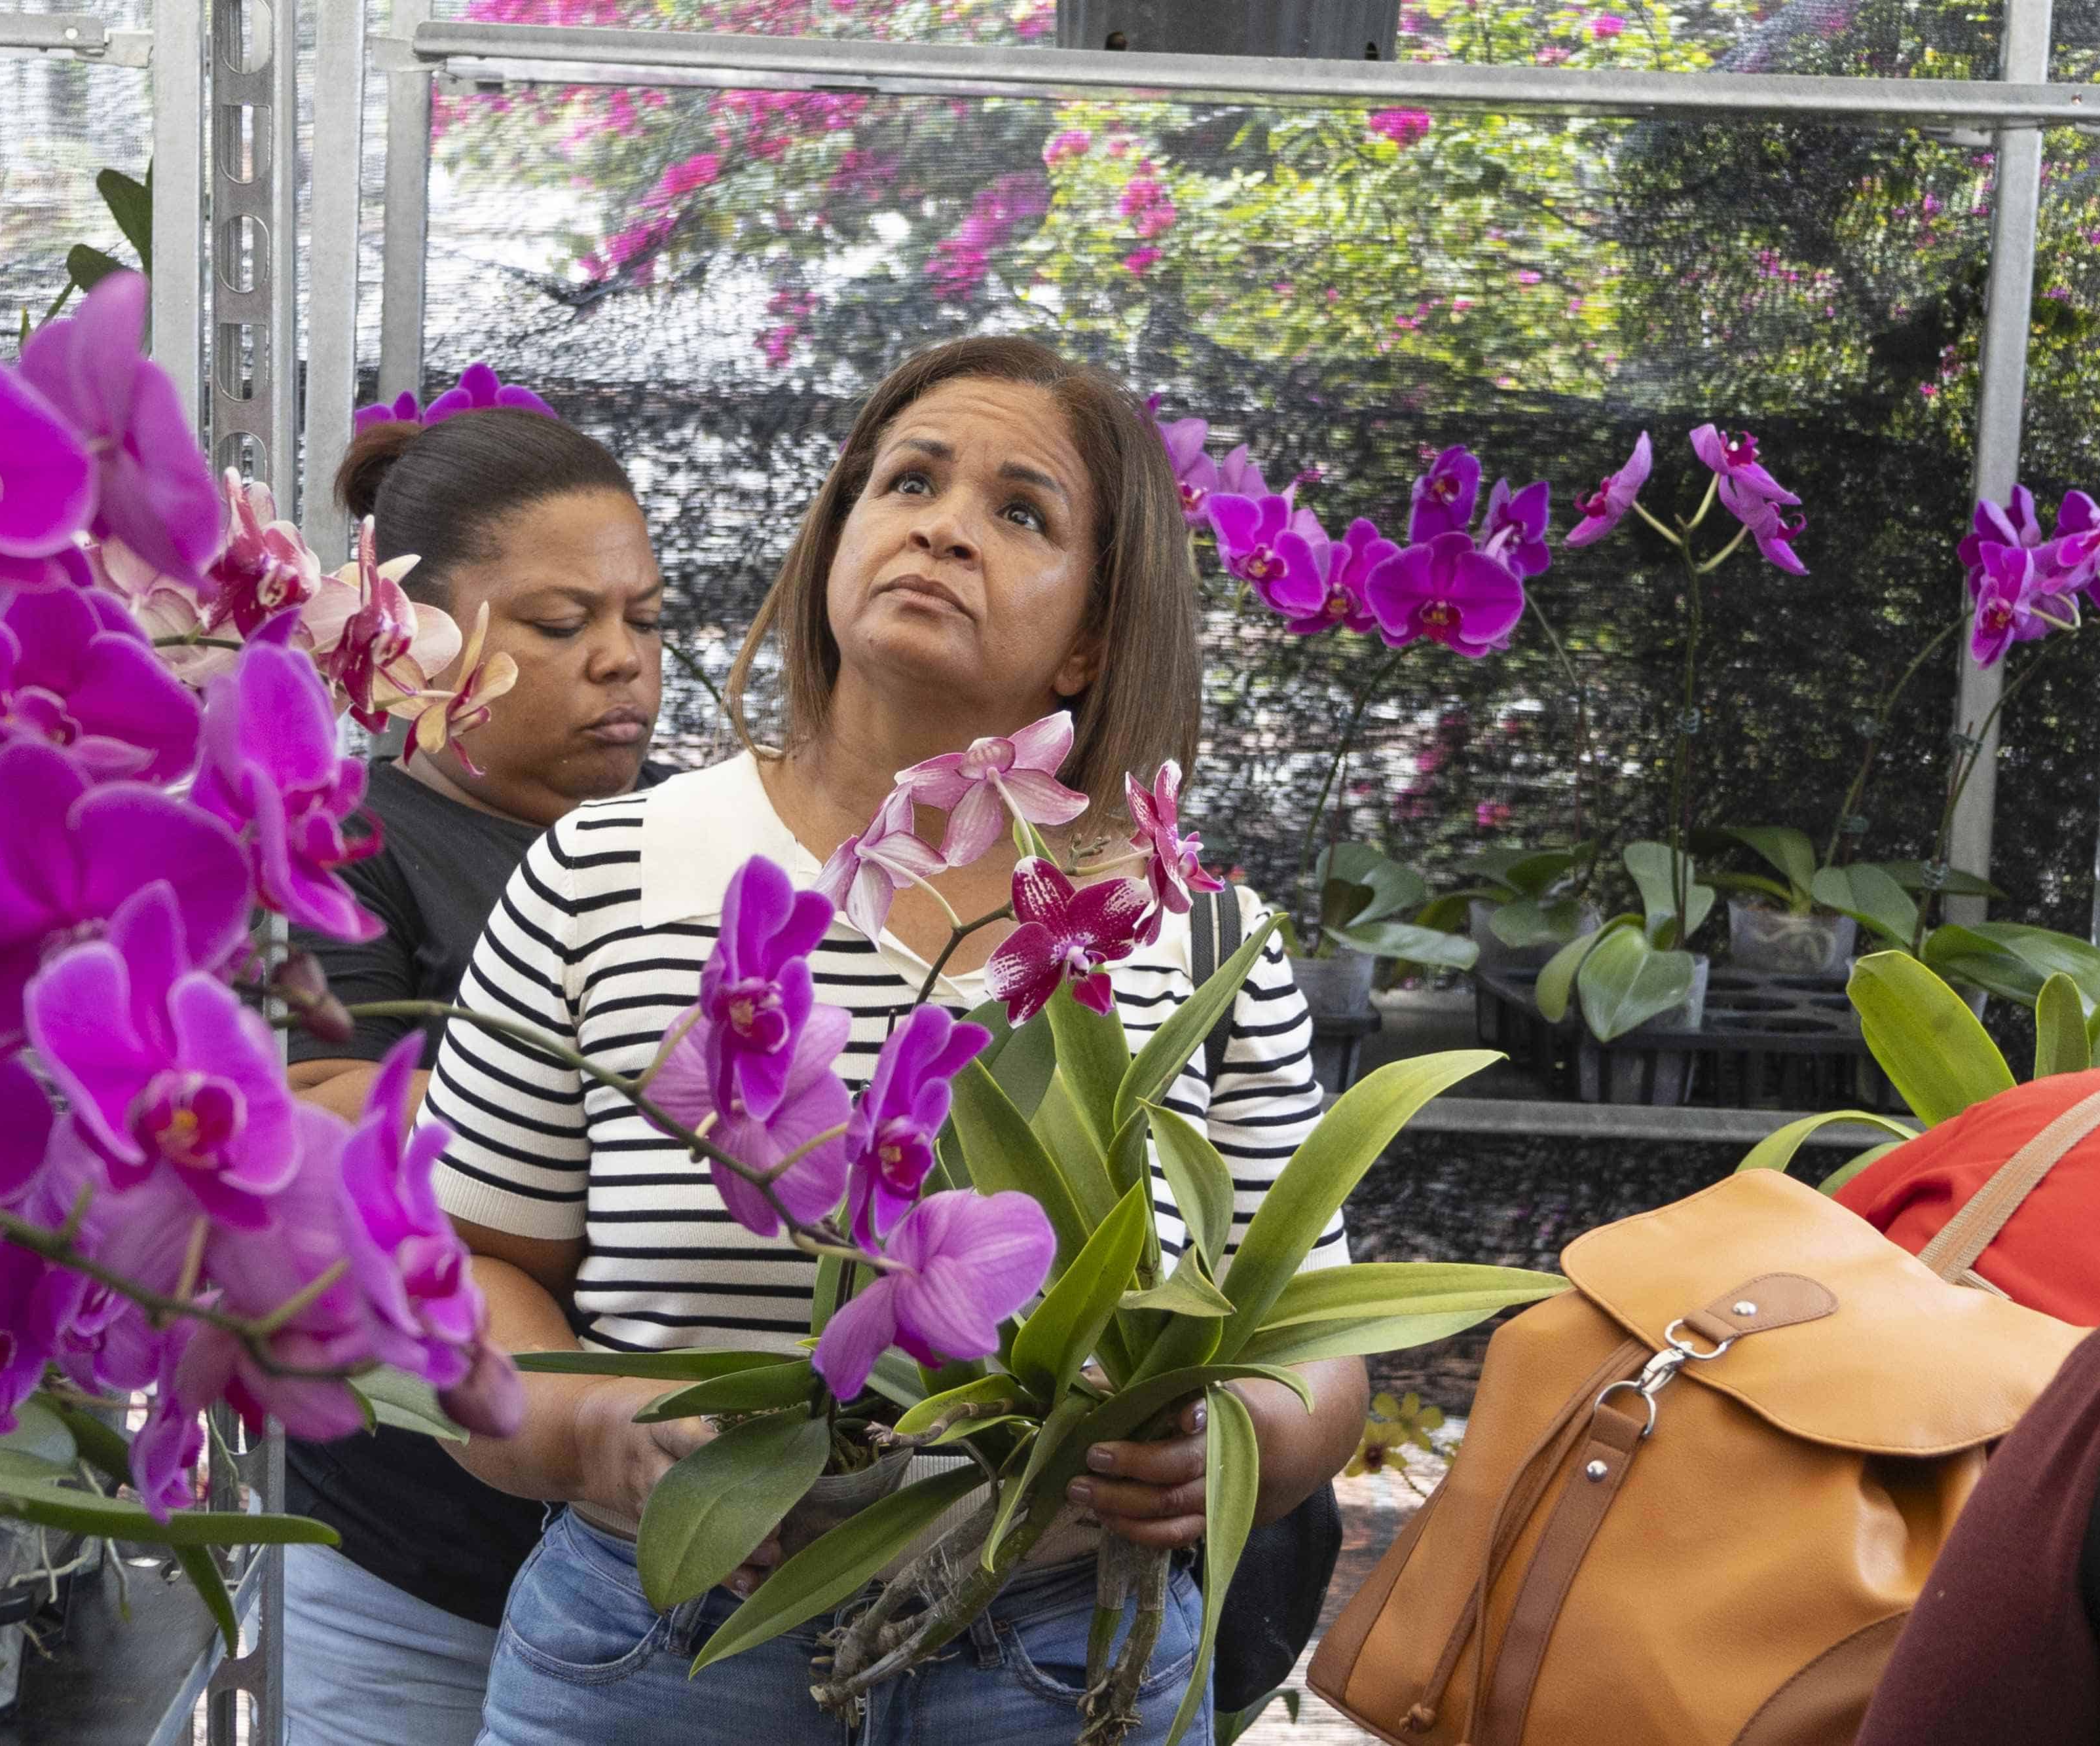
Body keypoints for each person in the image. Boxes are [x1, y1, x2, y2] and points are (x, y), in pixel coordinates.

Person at [428, 336, 1371, 1746]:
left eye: (1020, 511)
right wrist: (591, 1433)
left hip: (1057, 1654)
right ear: (835, 539)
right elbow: (463, 1267)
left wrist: (1230, 1442)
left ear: (1091, 636)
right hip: (660, 1630)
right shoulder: (611, 869)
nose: (940, 523)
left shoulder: (1183, 929)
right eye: (908, 479)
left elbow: (1312, 1339)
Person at [280, 401, 669, 1746]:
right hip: (408, 1574)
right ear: (420, 641)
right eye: (561, 625)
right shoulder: (344, 846)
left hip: (653, 1578)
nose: (621, 660)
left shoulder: (698, 840)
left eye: (647, 616)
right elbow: (331, 1128)